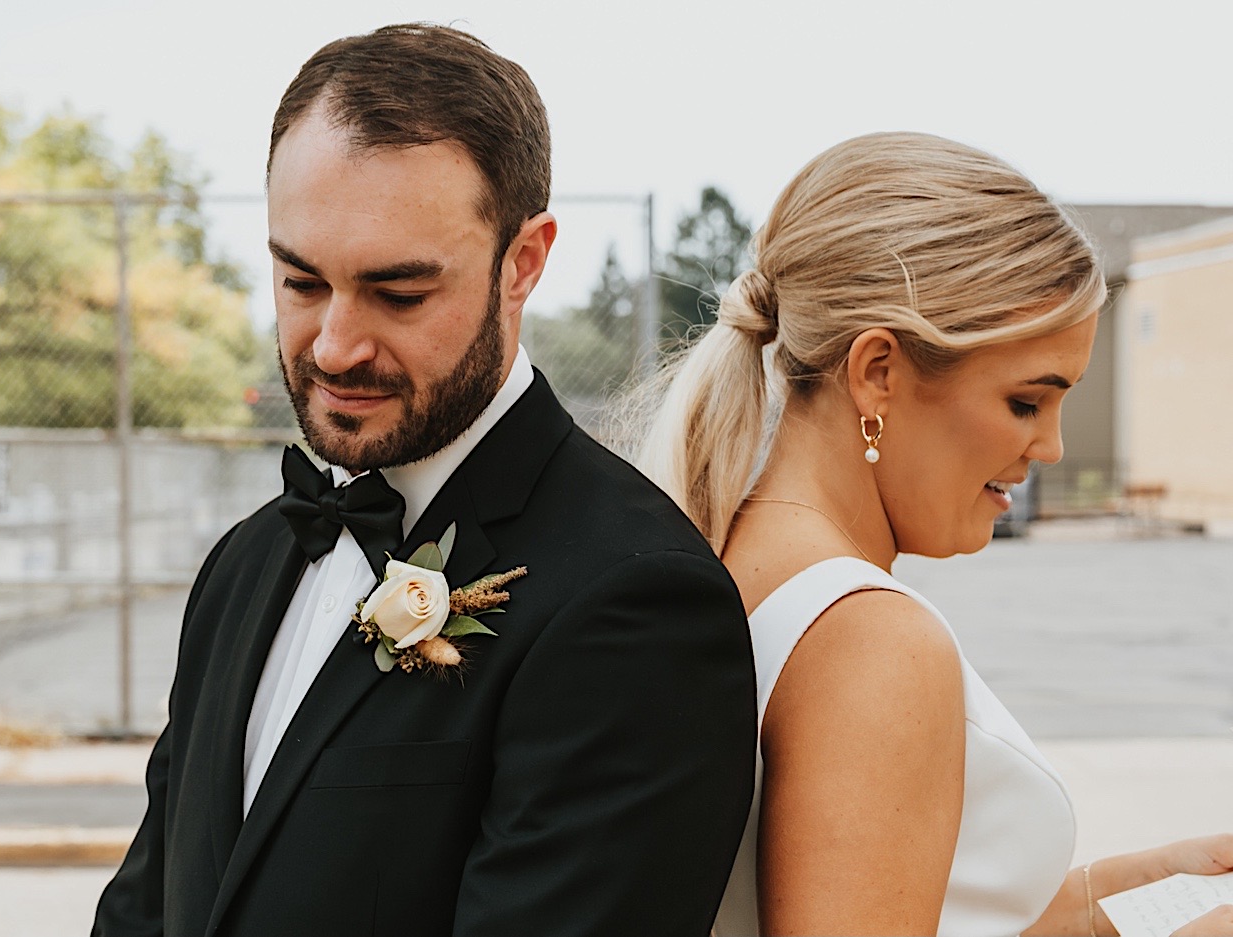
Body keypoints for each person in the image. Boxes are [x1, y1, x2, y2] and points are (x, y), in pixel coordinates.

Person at [92, 24, 756, 937]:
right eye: (300, 281)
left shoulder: (634, 601)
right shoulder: (243, 564)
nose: (334, 345)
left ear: (522, 264)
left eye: (398, 293)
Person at [633, 132, 1233, 937]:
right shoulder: (869, 635)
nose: (1050, 445)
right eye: (1026, 401)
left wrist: (1112, 899)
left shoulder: (729, 548)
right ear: (877, 371)